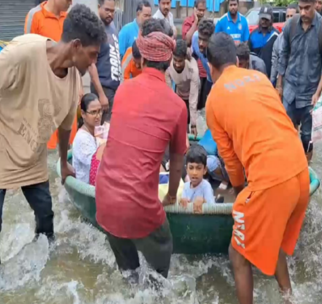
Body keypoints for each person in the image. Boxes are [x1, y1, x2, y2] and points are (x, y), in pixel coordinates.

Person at [0, 4, 105, 266]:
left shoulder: (74, 82)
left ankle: (45, 266)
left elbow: (66, 125)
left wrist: (64, 164)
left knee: (46, 217)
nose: (92, 63)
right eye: (91, 55)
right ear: (76, 46)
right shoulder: (25, 52)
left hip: (32, 154)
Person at [206, 32, 310, 304]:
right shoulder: (260, 79)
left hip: (272, 179)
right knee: (272, 237)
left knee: (237, 254)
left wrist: (241, 191)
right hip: (300, 173)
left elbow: (230, 159)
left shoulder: (214, 99)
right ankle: (289, 298)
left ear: (210, 66)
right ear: (237, 59)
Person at [95, 19, 187, 279]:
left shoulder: (123, 90)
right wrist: (170, 196)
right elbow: (177, 162)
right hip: (139, 206)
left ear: (141, 60)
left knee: (129, 274)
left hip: (104, 200)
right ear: (169, 63)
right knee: (162, 255)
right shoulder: (177, 106)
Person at [276, 0, 322, 162]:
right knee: (286, 130)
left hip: (310, 95)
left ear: (316, 4)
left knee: (307, 136)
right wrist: (279, 85)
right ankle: (289, 164)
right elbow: (284, 55)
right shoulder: (291, 25)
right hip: (289, 92)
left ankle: (306, 167)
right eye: (300, 8)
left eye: (307, 8)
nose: (302, 13)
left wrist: (318, 92)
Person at [25, 0, 79, 150]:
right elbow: (27, 54)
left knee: (68, 141)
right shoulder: (35, 16)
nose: (71, 2)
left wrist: (78, 85)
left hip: (67, 88)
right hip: (44, 89)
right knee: (46, 143)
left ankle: (64, 167)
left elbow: (75, 53)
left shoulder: (70, 17)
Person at [88, 0, 121, 124]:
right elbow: (91, 65)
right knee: (101, 132)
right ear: (98, 7)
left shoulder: (112, 26)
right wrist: (101, 95)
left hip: (114, 89)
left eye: (112, 11)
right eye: (107, 10)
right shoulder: (95, 29)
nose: (110, 14)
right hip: (103, 88)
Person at [166, 40, 200, 137]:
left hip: (192, 92)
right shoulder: (168, 66)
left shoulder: (193, 70)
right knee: (181, 120)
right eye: (175, 60)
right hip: (179, 93)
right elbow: (169, 94)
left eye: (180, 61)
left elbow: (193, 100)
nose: (177, 64)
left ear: (185, 58)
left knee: (190, 117)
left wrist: (193, 124)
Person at [72, 93, 103, 184]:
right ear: (83, 114)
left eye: (99, 111)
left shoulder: (95, 133)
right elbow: (98, 166)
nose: (98, 116)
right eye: (93, 112)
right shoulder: (82, 139)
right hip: (86, 192)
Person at [180, 145, 216, 213]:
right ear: (186, 169)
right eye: (191, 168)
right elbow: (183, 205)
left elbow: (213, 210)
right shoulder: (185, 186)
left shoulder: (206, 186)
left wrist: (203, 201)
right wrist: (181, 201)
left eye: (198, 168)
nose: (194, 173)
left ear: (205, 170)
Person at [271, 4, 298, 85]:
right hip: (283, 82)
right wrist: (272, 80)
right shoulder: (280, 38)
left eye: (292, 16)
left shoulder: (304, 37)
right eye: (287, 16)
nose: (289, 19)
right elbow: (275, 60)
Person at [248, 6, 279, 78]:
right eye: (262, 18)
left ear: (271, 19)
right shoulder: (253, 35)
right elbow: (249, 56)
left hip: (271, 76)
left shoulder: (276, 35)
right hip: (255, 76)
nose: (264, 21)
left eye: (266, 19)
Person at [191, 19, 215, 110]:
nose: (200, 43)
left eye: (205, 40)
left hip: (220, 81)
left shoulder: (217, 49)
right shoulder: (195, 38)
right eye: (200, 39)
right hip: (209, 78)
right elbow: (194, 57)